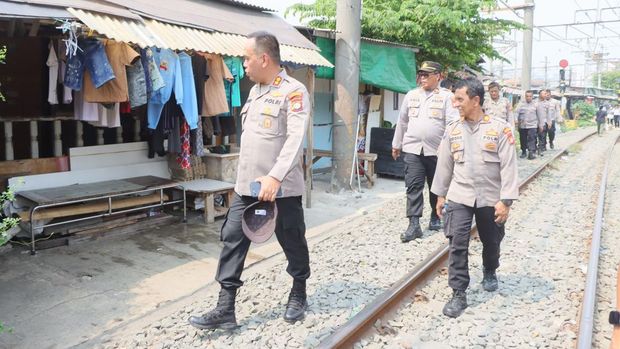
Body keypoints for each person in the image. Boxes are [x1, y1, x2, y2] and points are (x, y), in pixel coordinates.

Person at [188, 31, 311, 330]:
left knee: (291, 238)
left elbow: (295, 141)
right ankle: (225, 308)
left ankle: (299, 290)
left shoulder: (294, 92)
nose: (242, 63)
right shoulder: (254, 91)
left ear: (264, 58)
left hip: (280, 188)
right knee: (232, 239)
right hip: (248, 188)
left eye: (246, 57)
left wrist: (275, 177)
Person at [431, 77, 519, 318]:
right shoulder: (453, 129)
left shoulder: (500, 129)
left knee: (492, 241)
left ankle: (490, 269)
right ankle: (459, 292)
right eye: (454, 98)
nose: (455, 103)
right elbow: (444, 165)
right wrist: (440, 195)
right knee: (457, 243)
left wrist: (506, 201)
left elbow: (509, 167)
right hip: (460, 195)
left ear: (476, 100)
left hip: (490, 197)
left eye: (460, 99)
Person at [392, 61, 460, 242]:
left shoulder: (447, 97)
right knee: (413, 186)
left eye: (426, 75)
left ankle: (435, 216)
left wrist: (450, 149)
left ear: (438, 76)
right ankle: (413, 225)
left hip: (437, 151)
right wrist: (396, 144)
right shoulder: (411, 95)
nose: (422, 78)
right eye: (421, 75)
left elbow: (452, 125)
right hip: (413, 149)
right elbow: (403, 121)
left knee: (435, 186)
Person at [514, 91, 541, 160]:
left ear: (532, 97)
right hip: (523, 125)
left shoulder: (536, 104)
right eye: (527, 96)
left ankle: (531, 152)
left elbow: (540, 115)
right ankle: (523, 151)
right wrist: (516, 120)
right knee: (523, 139)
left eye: (530, 96)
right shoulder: (521, 104)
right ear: (525, 97)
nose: (528, 98)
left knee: (532, 138)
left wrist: (541, 125)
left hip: (533, 125)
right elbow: (516, 113)